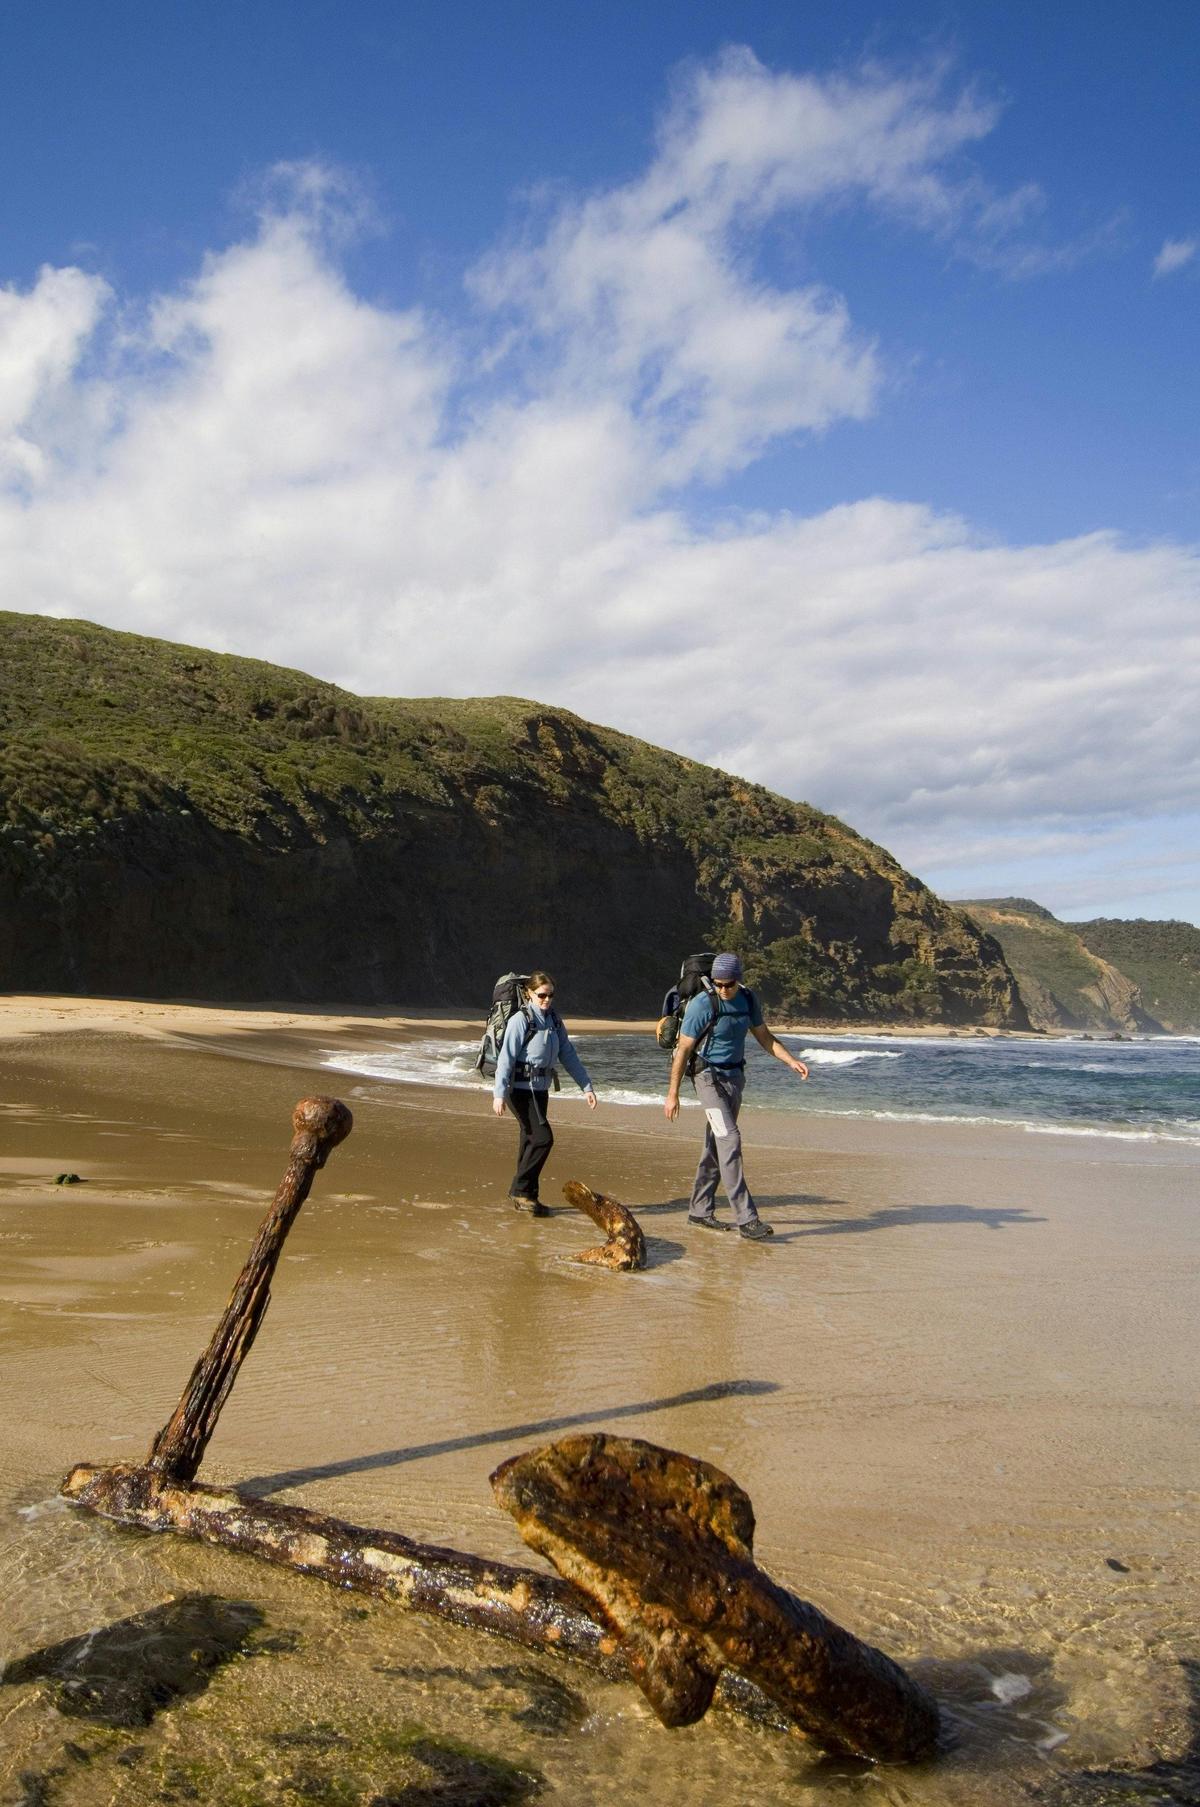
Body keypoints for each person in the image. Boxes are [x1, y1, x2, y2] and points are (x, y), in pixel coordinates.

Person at [664, 952, 808, 1240]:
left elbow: (765, 1037)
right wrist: (673, 1094)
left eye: (728, 984)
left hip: (734, 1079)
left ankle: (699, 1210)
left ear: (739, 981)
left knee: (717, 1145)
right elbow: (682, 1051)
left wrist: (790, 1060)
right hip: (707, 1079)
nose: (723, 990)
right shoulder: (702, 1005)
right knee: (730, 1138)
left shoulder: (748, 1000)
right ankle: (747, 1219)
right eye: (717, 984)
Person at [492, 971, 597, 1214]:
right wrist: (498, 1094)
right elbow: (506, 1059)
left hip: (540, 1090)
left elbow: (568, 1054)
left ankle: (527, 1197)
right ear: (529, 993)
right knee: (543, 1139)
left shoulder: (555, 1021)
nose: (546, 1000)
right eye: (541, 995)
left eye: (550, 995)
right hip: (518, 1089)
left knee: (530, 1139)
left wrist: (586, 1086)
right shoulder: (520, 1020)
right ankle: (519, 1189)